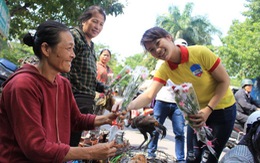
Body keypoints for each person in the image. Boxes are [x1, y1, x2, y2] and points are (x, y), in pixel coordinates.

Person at [0, 20, 122, 162]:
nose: (73, 55)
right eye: (68, 48)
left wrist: (106, 118)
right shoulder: (23, 86)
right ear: (46, 49)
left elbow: (76, 119)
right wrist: (89, 152)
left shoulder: (62, 84)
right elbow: (36, 148)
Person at [120, 27, 236, 163]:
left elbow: (224, 81)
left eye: (158, 43)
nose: (157, 50)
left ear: (169, 37)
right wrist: (126, 106)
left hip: (222, 111)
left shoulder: (200, 53)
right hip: (197, 115)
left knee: (209, 159)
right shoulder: (164, 69)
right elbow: (148, 95)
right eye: (151, 49)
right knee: (192, 158)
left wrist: (208, 109)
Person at [62, 5, 108, 147]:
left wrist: (104, 88)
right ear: (84, 20)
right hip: (74, 98)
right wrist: (66, 96)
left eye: (101, 24)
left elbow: (87, 76)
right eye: (95, 21)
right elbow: (63, 67)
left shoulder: (91, 45)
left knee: (74, 141)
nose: (98, 27)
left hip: (85, 101)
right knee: (66, 142)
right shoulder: (74, 36)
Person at [147, 79, 185, 162]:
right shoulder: (162, 65)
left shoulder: (186, 67)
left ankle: (181, 159)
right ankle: (151, 154)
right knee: (155, 130)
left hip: (179, 103)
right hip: (162, 101)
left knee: (180, 132)